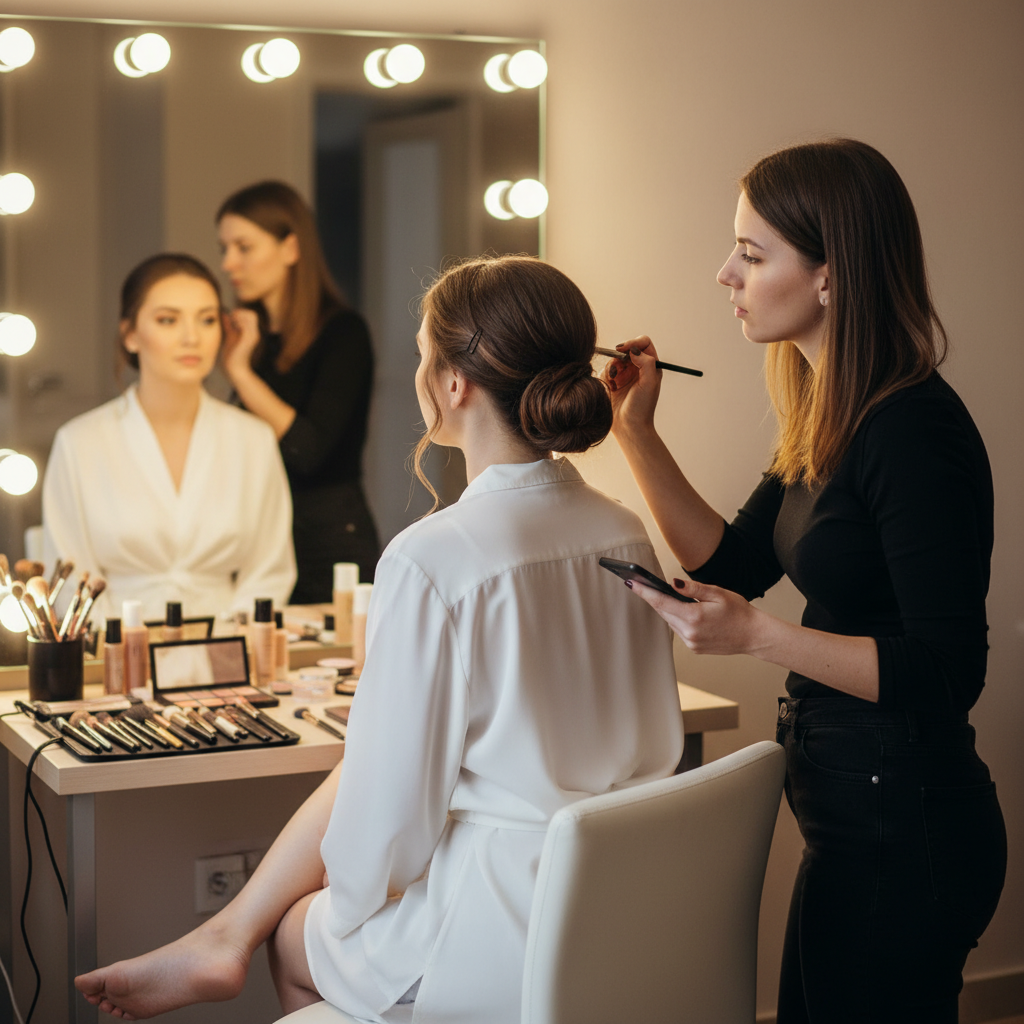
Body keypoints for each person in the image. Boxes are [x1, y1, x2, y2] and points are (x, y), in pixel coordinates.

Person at [74, 255, 686, 1022]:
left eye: (427, 354)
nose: (423, 370)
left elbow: (387, 831)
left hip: (500, 928)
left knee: (297, 937)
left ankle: (234, 935)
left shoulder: (436, 557)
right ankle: (224, 936)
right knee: (360, 783)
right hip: (625, 908)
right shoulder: (625, 532)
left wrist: (351, 899)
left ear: (455, 384)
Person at [608, 139, 1006, 1023]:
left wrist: (757, 636)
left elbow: (947, 672)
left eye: (752, 255)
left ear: (831, 275)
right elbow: (733, 562)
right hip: (854, 812)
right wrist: (635, 432)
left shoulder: (910, 431)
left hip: (907, 825)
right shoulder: (829, 413)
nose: (726, 275)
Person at [42, 254, 296, 623]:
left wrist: (224, 651)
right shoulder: (80, 442)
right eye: (168, 320)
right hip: (118, 656)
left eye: (207, 320)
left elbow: (270, 572)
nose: (191, 337)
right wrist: (124, 655)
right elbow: (70, 580)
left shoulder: (253, 440)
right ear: (130, 334)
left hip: (229, 656)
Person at [217, 180, 380, 602]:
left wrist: (240, 375)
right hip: (263, 536)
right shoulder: (255, 341)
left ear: (290, 248)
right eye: (225, 249)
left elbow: (308, 451)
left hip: (329, 540)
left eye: (243, 247)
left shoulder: (343, 333)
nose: (229, 263)